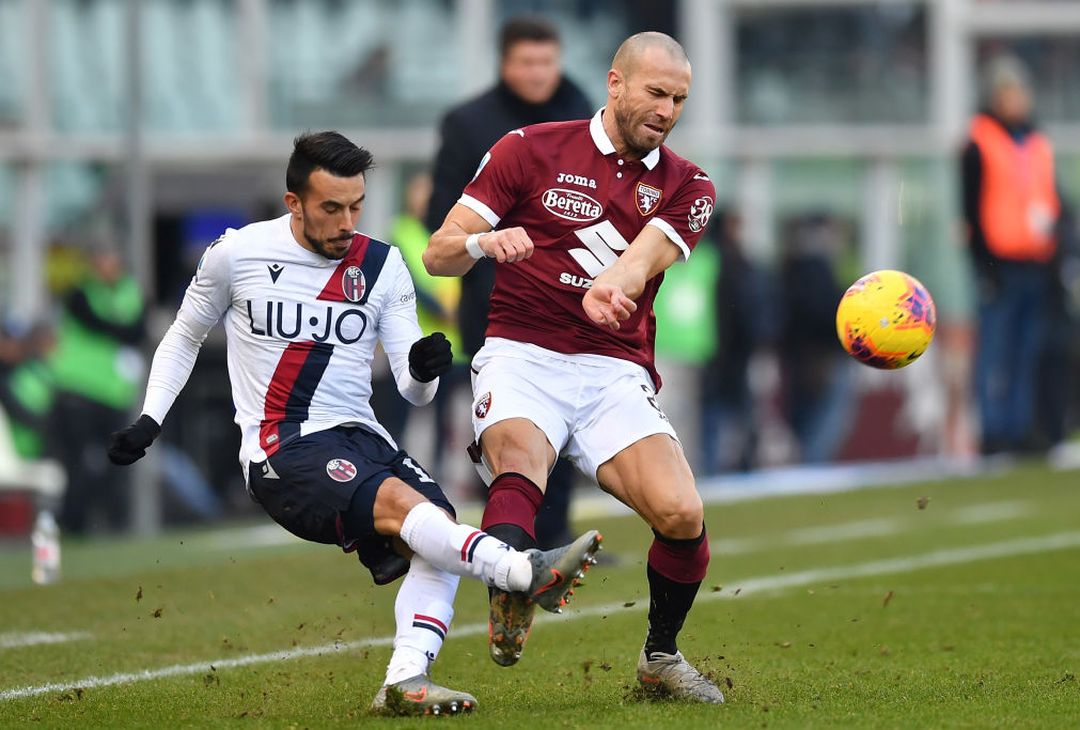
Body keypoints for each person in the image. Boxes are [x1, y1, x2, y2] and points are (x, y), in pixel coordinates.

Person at [106, 132, 602, 716]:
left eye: (356, 206)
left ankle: (406, 680)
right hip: (281, 444)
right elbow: (185, 334)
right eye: (331, 208)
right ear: (294, 203)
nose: (347, 222)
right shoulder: (236, 254)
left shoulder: (381, 263)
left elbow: (417, 393)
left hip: (364, 437)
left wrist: (423, 368)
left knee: (436, 531)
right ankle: (524, 570)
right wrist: (150, 417)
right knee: (408, 510)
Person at [425, 32, 724, 703]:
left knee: (680, 512)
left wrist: (612, 284)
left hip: (613, 367)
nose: (667, 109)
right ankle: (511, 586)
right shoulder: (527, 148)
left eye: (679, 99)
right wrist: (482, 240)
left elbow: (643, 259)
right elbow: (439, 254)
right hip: (522, 352)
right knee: (520, 463)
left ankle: (660, 660)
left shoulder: (690, 184)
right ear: (615, 83)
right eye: (655, 92)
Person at [426, 15, 593, 547]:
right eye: (527, 62)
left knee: (566, 419)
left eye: (547, 61)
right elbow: (443, 211)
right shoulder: (469, 123)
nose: (539, 73)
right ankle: (509, 538)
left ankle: (556, 533)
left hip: (573, 296)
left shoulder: (585, 113)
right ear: (504, 64)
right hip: (494, 300)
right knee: (508, 421)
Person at [962, 56, 1065, 455]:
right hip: (1000, 263)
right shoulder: (979, 140)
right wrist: (983, 265)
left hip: (1036, 261)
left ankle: (1022, 427)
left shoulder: (1036, 142)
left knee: (1027, 349)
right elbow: (971, 209)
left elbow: (1052, 201)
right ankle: (993, 429)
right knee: (994, 350)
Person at [49, 247, 147, 534]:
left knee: (115, 460)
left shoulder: (131, 291)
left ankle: (113, 523)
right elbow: (96, 322)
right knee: (80, 461)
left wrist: (118, 328)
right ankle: (73, 524)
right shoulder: (80, 293)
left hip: (113, 393)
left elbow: (137, 331)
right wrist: (121, 328)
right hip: (77, 388)